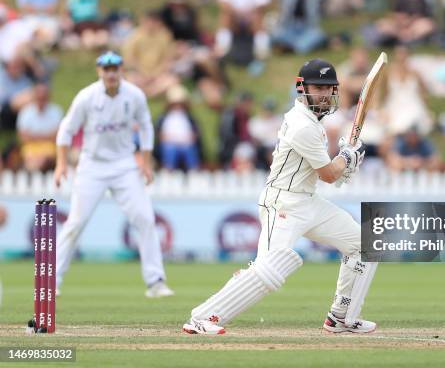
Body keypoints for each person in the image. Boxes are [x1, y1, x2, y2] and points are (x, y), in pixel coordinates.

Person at [182, 58, 376, 335]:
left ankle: (342, 317)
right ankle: (203, 317)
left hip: (307, 201)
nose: (323, 94)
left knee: (363, 245)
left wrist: (346, 161)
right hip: (283, 204)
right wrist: (347, 156)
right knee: (269, 271)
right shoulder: (302, 125)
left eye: (328, 88)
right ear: (302, 88)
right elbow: (330, 175)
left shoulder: (311, 121)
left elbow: (330, 174)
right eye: (317, 88)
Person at [54, 51, 174, 298]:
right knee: (75, 223)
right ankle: (52, 280)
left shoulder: (134, 95)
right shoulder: (87, 97)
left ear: (121, 70)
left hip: (124, 165)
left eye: (115, 68)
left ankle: (155, 282)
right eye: (106, 69)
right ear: (99, 71)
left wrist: (146, 163)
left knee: (145, 218)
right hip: (92, 165)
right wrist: (61, 164)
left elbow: (146, 126)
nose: (111, 73)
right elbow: (66, 130)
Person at [17, 81, 63, 172]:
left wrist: (33, 136)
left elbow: (58, 136)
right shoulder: (25, 112)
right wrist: (47, 136)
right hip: (30, 149)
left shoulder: (56, 111)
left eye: (43, 97)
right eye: (39, 97)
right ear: (34, 97)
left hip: (50, 148)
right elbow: (23, 138)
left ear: (48, 97)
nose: (41, 99)